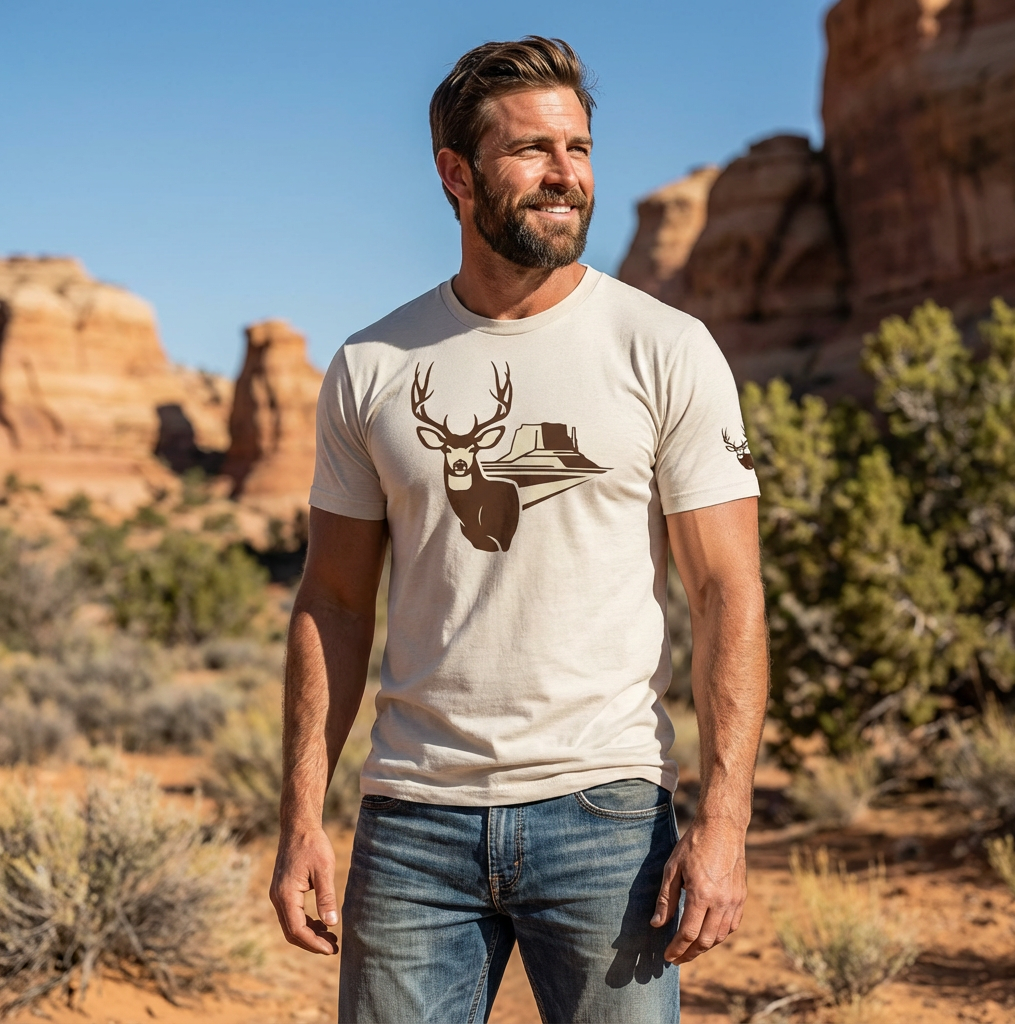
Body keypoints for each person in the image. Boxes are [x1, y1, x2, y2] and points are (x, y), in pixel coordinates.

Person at [269, 36, 768, 1024]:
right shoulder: (372, 366)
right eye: (531, 151)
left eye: (578, 148)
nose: (564, 175)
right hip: (410, 821)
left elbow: (726, 592)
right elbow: (331, 599)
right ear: (455, 174)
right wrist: (299, 822)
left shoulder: (664, 348)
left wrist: (724, 818)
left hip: (605, 818)